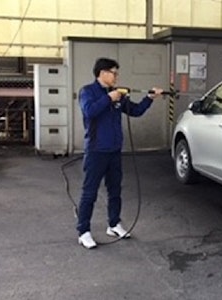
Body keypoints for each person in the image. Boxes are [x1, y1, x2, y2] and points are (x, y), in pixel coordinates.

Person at [77, 57, 163, 249]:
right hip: (96, 151)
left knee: (115, 189)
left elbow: (135, 111)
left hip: (115, 150)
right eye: (113, 73)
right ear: (102, 73)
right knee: (89, 192)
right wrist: (108, 98)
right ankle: (83, 232)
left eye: (117, 73)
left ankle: (114, 224)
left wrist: (149, 98)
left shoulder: (118, 95)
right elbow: (89, 111)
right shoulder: (87, 92)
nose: (116, 76)